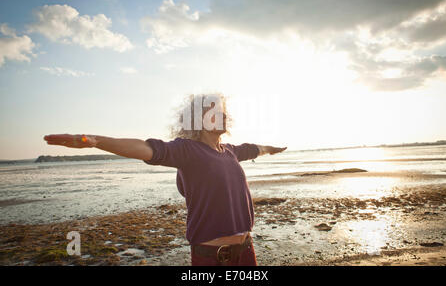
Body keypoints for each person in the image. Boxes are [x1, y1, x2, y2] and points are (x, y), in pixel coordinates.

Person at [43, 93, 286, 266]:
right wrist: (95, 141)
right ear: (199, 118)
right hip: (213, 257)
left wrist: (272, 148)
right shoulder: (188, 150)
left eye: (223, 109)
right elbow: (146, 148)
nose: (222, 114)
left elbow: (253, 148)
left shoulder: (230, 151)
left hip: (246, 250)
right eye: (215, 110)